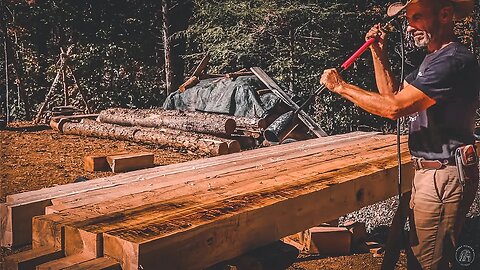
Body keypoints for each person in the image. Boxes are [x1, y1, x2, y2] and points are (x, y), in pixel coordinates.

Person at [320, 0, 480, 269]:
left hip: (442, 174)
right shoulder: (433, 59)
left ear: (445, 14)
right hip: (429, 173)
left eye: (417, 17)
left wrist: (341, 87)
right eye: (408, 19)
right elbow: (392, 96)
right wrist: (378, 52)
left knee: (428, 261)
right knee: (416, 251)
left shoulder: (452, 61)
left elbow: (394, 109)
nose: (409, 26)